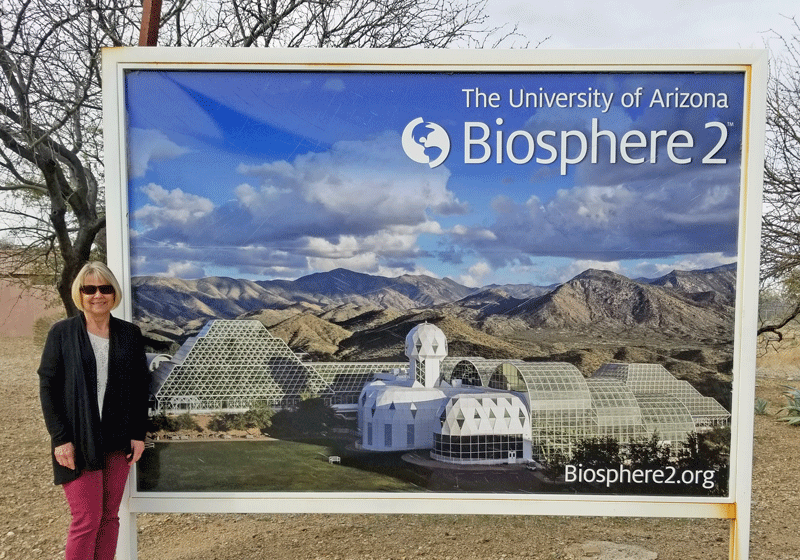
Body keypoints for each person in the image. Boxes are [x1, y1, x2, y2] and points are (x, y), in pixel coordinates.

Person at [38, 261, 149, 560]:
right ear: (79, 294)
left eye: (105, 288)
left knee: (110, 517)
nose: (97, 295)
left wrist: (138, 433)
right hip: (77, 439)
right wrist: (60, 438)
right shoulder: (62, 333)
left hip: (117, 439)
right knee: (87, 520)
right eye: (89, 289)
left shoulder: (129, 334)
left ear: (114, 293)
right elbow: (48, 387)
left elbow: (140, 388)